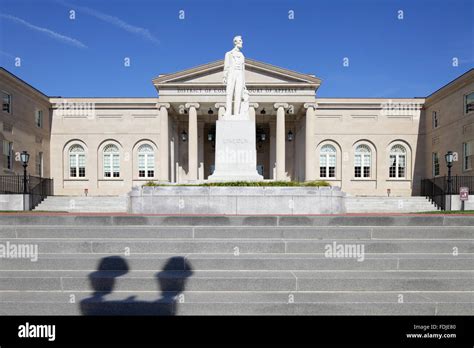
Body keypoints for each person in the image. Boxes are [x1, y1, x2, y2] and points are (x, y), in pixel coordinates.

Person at [223, 35, 246, 117]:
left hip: (240, 74)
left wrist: (244, 84)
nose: (242, 42)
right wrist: (225, 77)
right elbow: (226, 67)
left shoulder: (242, 55)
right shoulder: (228, 54)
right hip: (231, 74)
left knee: (238, 93)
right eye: (240, 40)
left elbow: (243, 70)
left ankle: (237, 113)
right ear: (235, 42)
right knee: (229, 93)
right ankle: (228, 112)